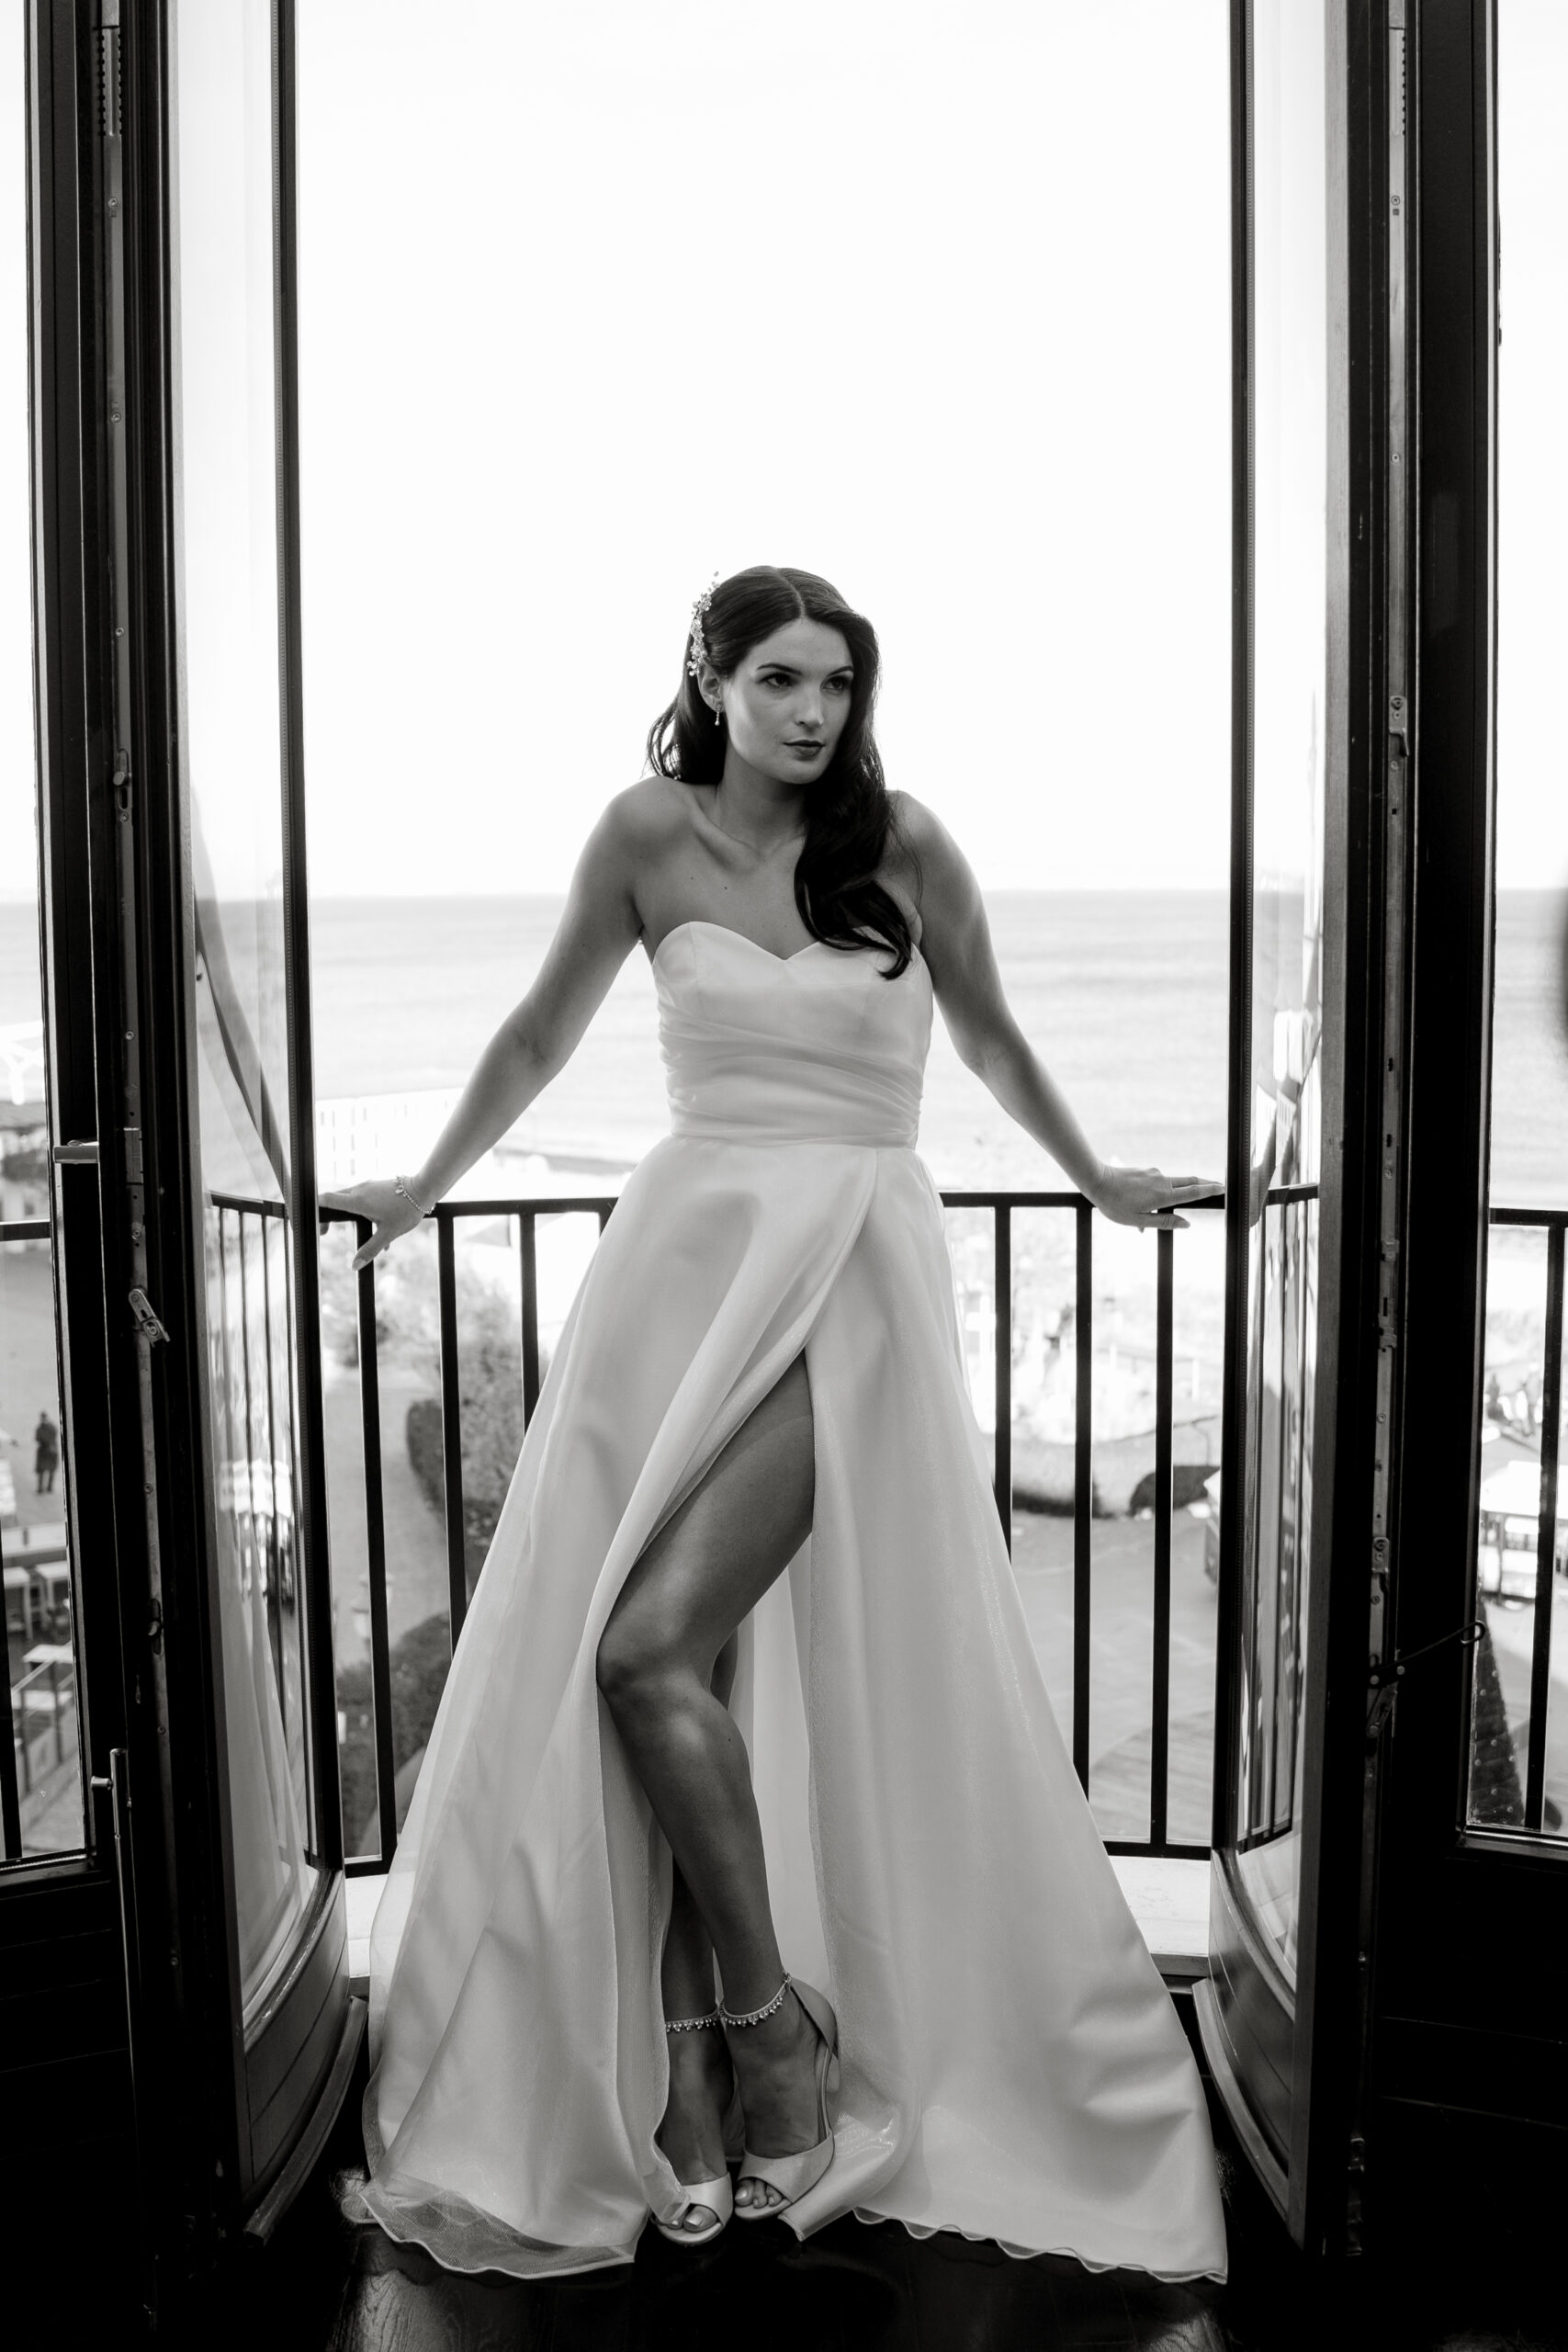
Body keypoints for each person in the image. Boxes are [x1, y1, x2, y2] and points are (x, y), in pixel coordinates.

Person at [325, 566, 1228, 2281]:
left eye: (838, 683)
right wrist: (420, 1190)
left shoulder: (906, 844)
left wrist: (1100, 1177)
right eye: (784, 680)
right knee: (686, 1679)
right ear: (712, 679)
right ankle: (691, 2071)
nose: (815, 713)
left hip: (852, 1297)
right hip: (677, 1280)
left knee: (646, 1655)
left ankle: (763, 2035)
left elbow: (990, 1037)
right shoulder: (643, 838)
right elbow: (536, 1028)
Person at [33, 1410, 59, 1497]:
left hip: (47, 1451)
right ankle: (45, 1488)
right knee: (46, 1470)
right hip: (49, 1451)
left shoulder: (41, 1428)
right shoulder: (51, 1427)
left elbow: (37, 1438)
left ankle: (46, 1488)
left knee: (47, 1470)